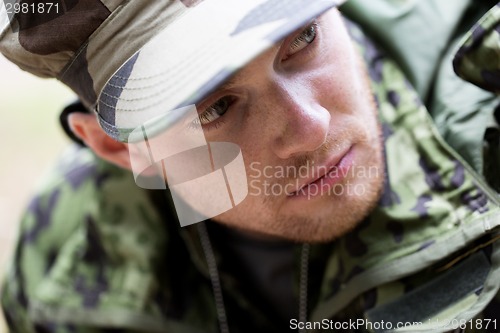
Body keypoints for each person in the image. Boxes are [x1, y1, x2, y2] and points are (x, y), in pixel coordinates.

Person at [1, 0, 499, 332]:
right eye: (216, 108)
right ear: (126, 153)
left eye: (303, 38)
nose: (311, 128)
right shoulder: (64, 268)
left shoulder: (487, 135)